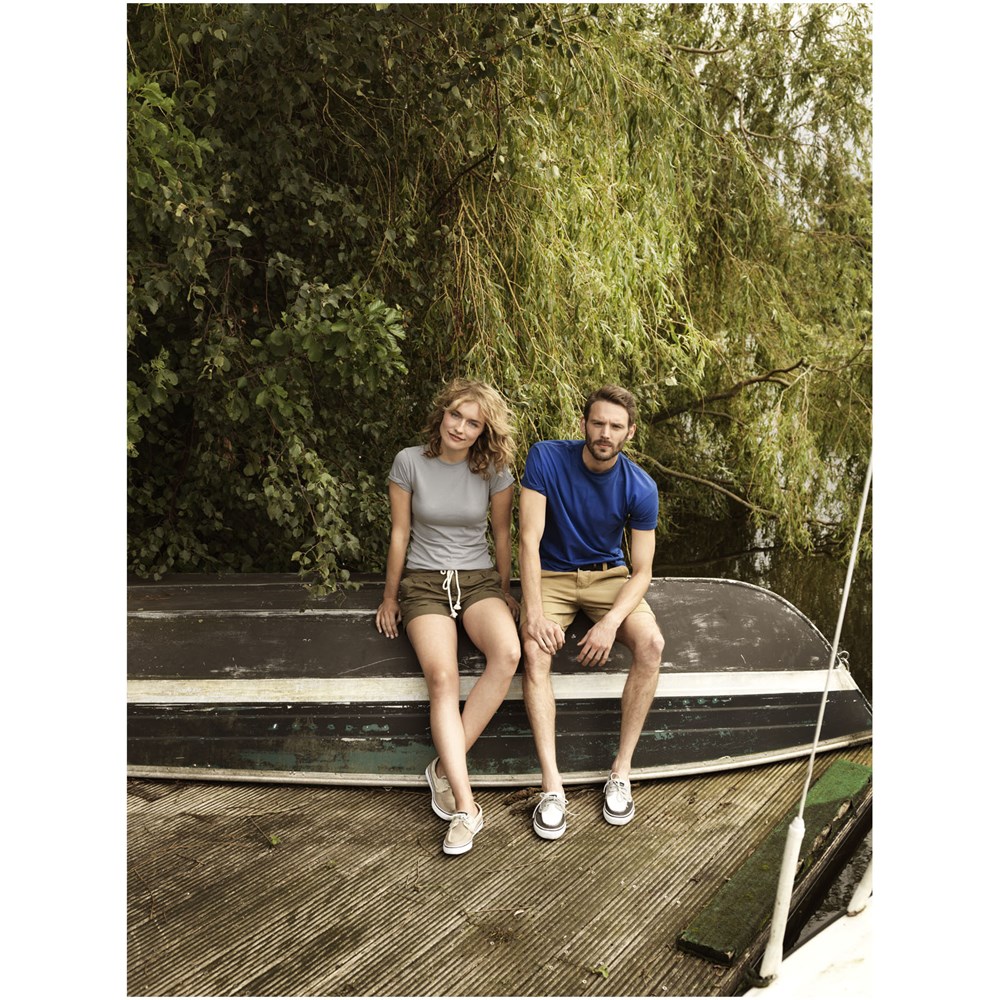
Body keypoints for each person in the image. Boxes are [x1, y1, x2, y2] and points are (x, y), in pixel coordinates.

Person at [376, 378, 521, 856]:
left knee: (508, 653)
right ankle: (465, 805)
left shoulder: (494, 470)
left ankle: (441, 767)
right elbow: (400, 533)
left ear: (483, 431)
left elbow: (502, 534)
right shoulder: (409, 461)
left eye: (473, 422)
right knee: (442, 678)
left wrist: (505, 590)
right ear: (442, 413)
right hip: (423, 582)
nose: (460, 427)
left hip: (478, 580)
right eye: (455, 414)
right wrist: (390, 597)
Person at [518, 384, 664, 840]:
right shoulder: (546, 457)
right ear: (584, 423)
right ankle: (551, 786)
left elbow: (643, 570)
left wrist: (610, 622)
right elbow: (528, 540)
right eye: (598, 423)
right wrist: (534, 614)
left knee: (652, 645)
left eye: (615, 426)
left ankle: (620, 772)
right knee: (534, 651)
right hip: (552, 575)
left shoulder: (641, 487)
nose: (605, 433)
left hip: (608, 577)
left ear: (629, 432)